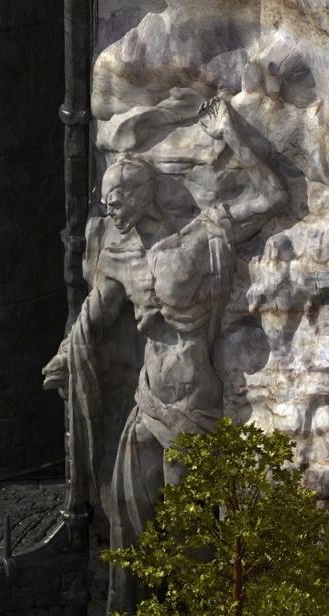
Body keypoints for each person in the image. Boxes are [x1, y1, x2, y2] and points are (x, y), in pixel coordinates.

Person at [43, 96, 288, 612]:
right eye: (106, 200)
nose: (110, 208)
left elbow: (272, 194)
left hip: (193, 399)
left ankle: (193, 607)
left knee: (188, 522)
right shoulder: (121, 260)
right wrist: (67, 356)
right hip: (146, 399)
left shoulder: (199, 238)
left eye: (117, 199)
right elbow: (94, 317)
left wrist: (231, 131)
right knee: (126, 509)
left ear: (143, 194)